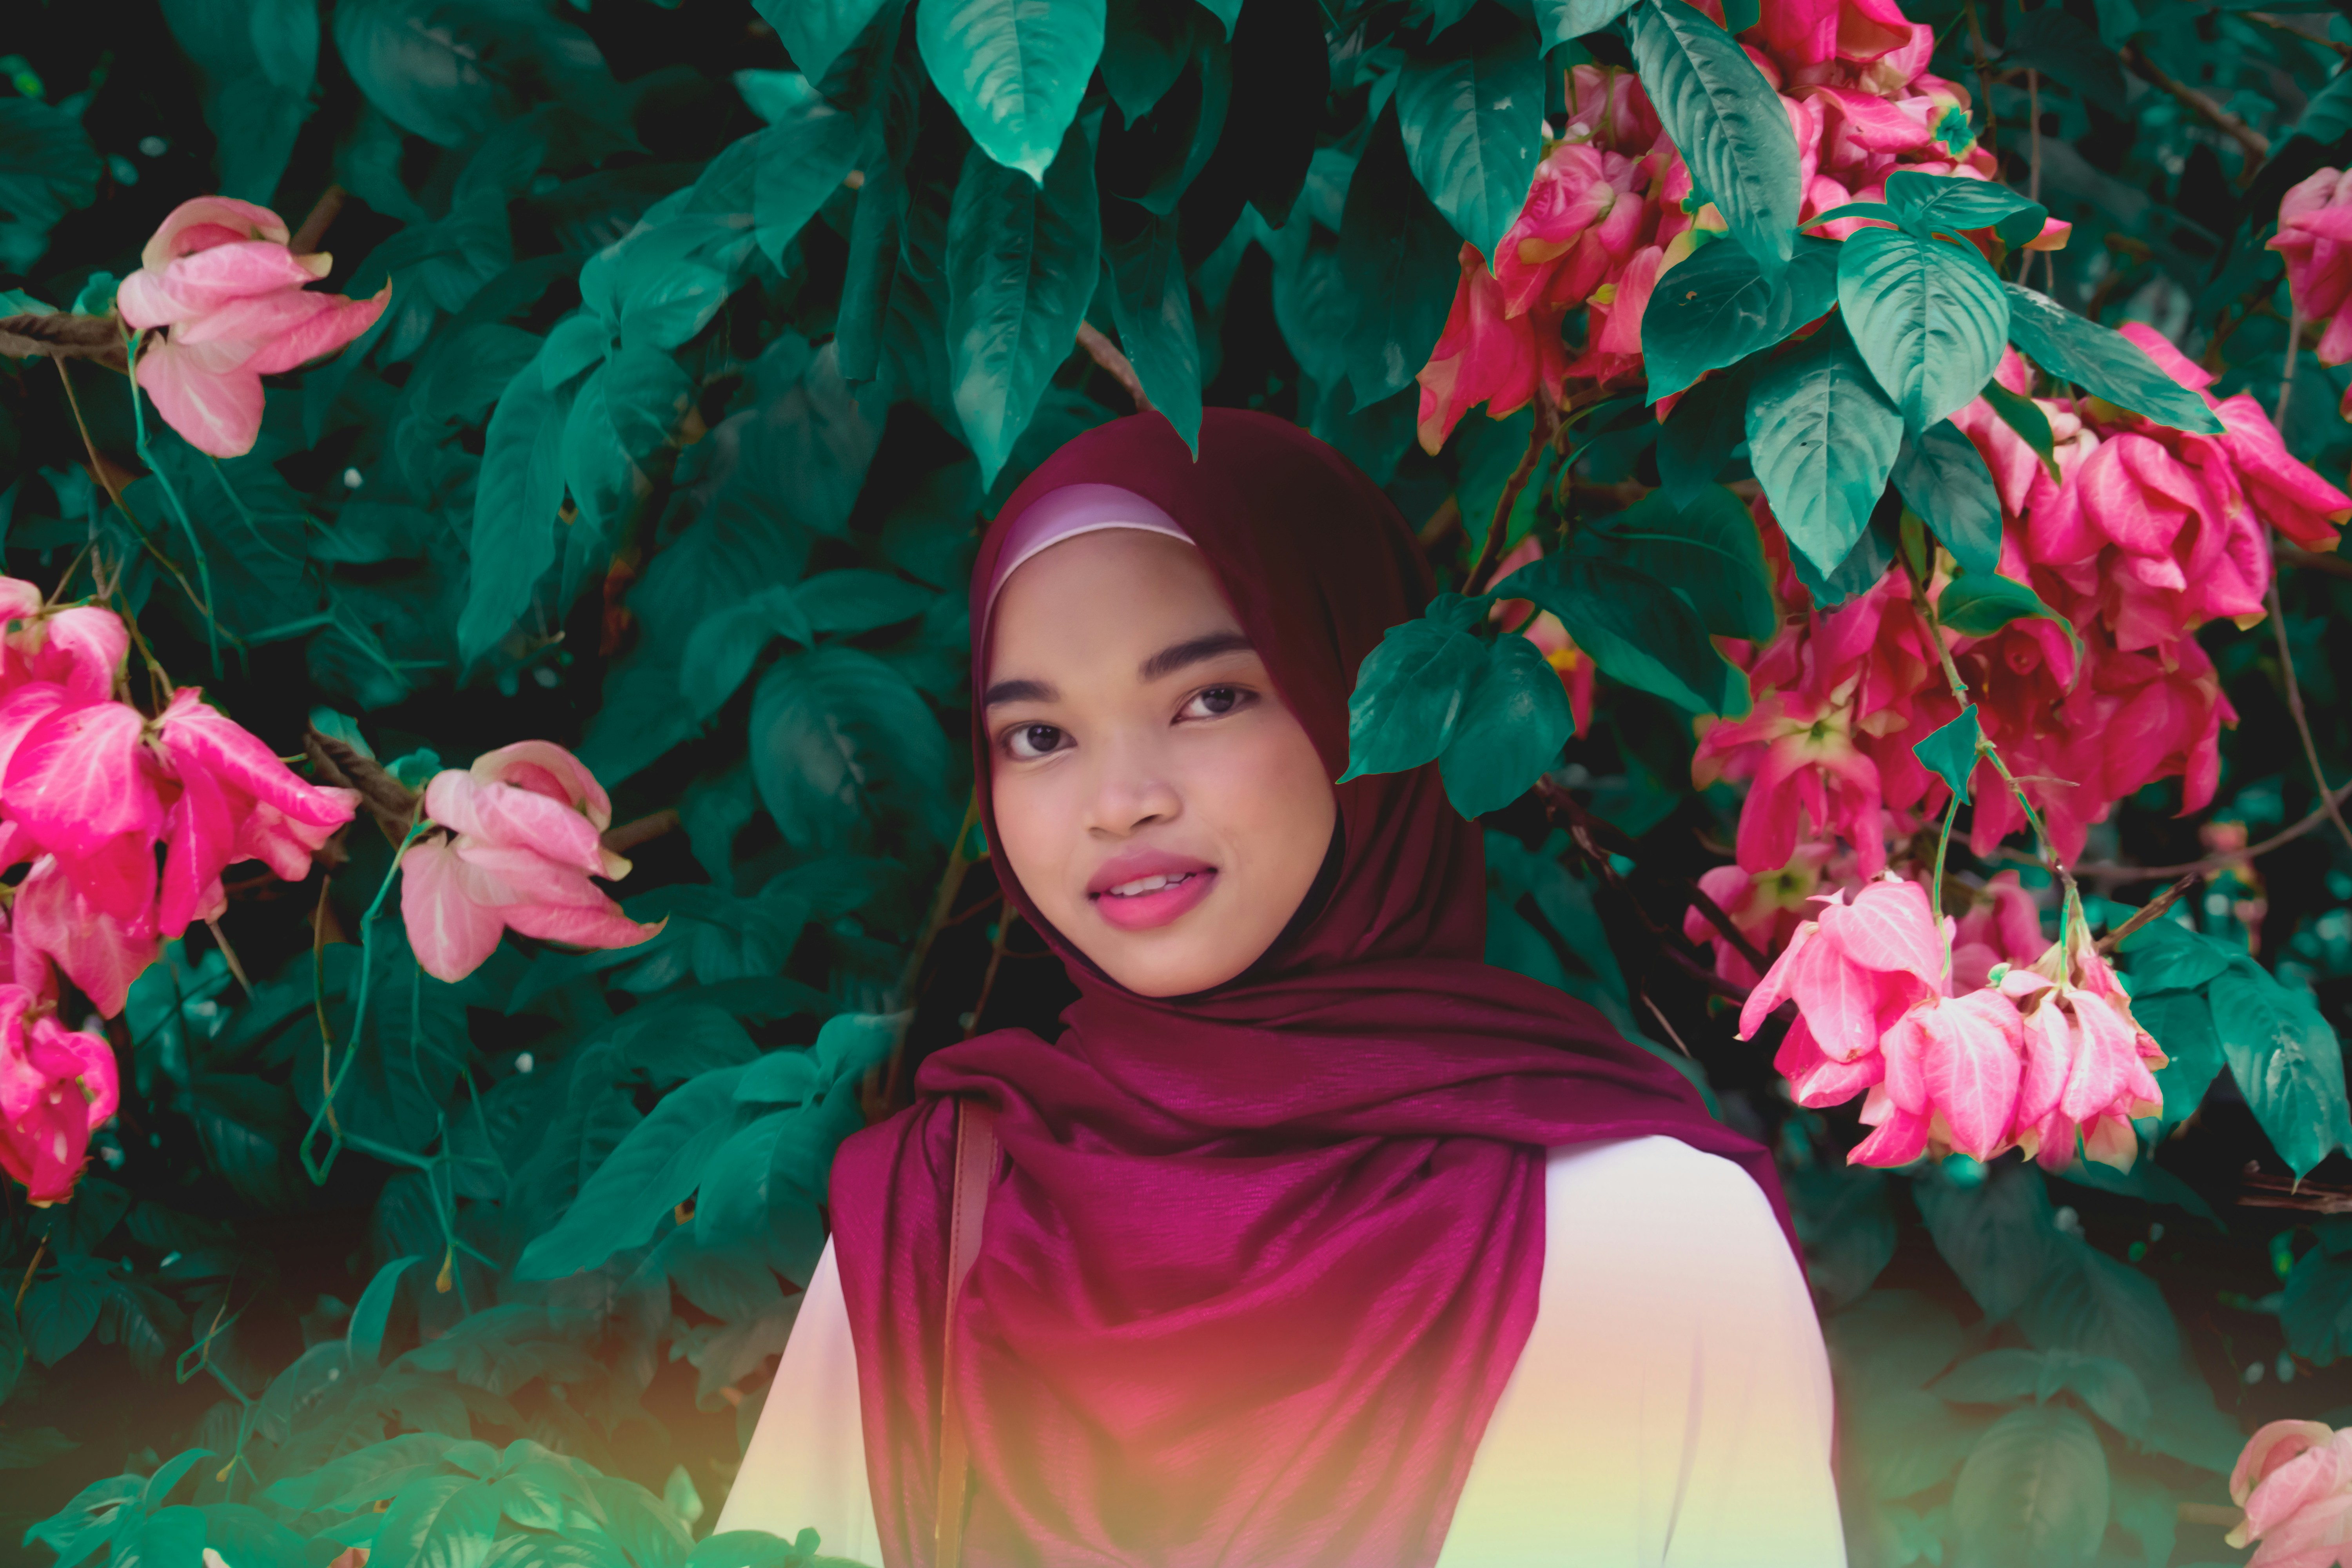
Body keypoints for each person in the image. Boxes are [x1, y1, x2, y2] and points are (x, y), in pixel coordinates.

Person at [718, 410, 1844, 1567]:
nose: (1120, 799)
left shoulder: (1658, 1244)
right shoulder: (935, 1216)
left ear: (1362, 692)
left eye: (1210, 698)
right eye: (1041, 734)